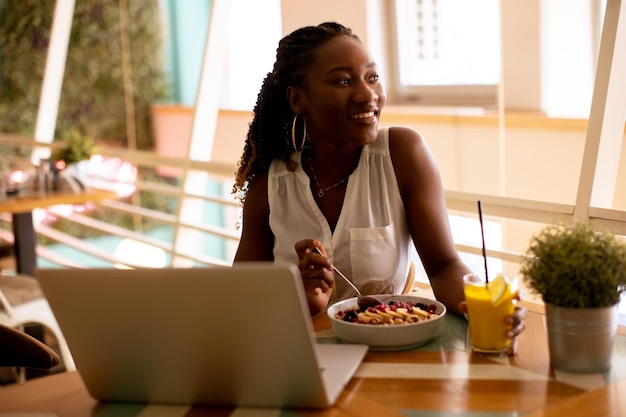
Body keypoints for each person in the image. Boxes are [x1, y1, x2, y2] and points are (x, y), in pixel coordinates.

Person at [232, 22, 525, 341]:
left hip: (390, 354)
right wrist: (301, 301)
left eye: (372, 77)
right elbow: (242, 301)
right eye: (343, 81)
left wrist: (482, 298)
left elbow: (443, 266)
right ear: (298, 99)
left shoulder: (402, 155)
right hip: (299, 361)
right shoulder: (269, 185)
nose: (367, 94)